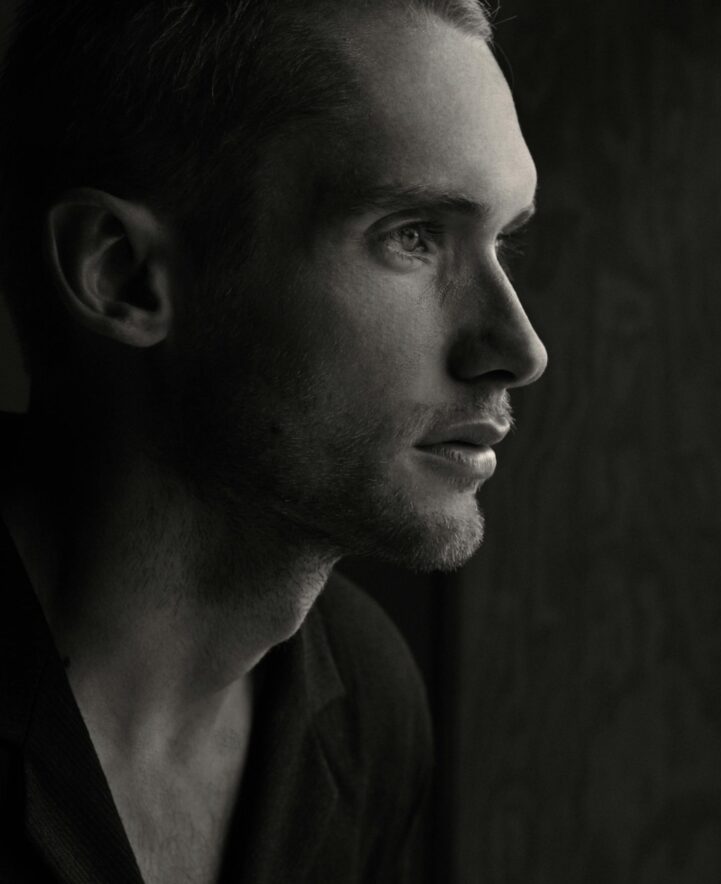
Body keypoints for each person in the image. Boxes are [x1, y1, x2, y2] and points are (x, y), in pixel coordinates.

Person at [0, 0, 547, 880]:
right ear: (124, 274)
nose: (519, 350)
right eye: (412, 237)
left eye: (504, 244)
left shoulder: (366, 706)